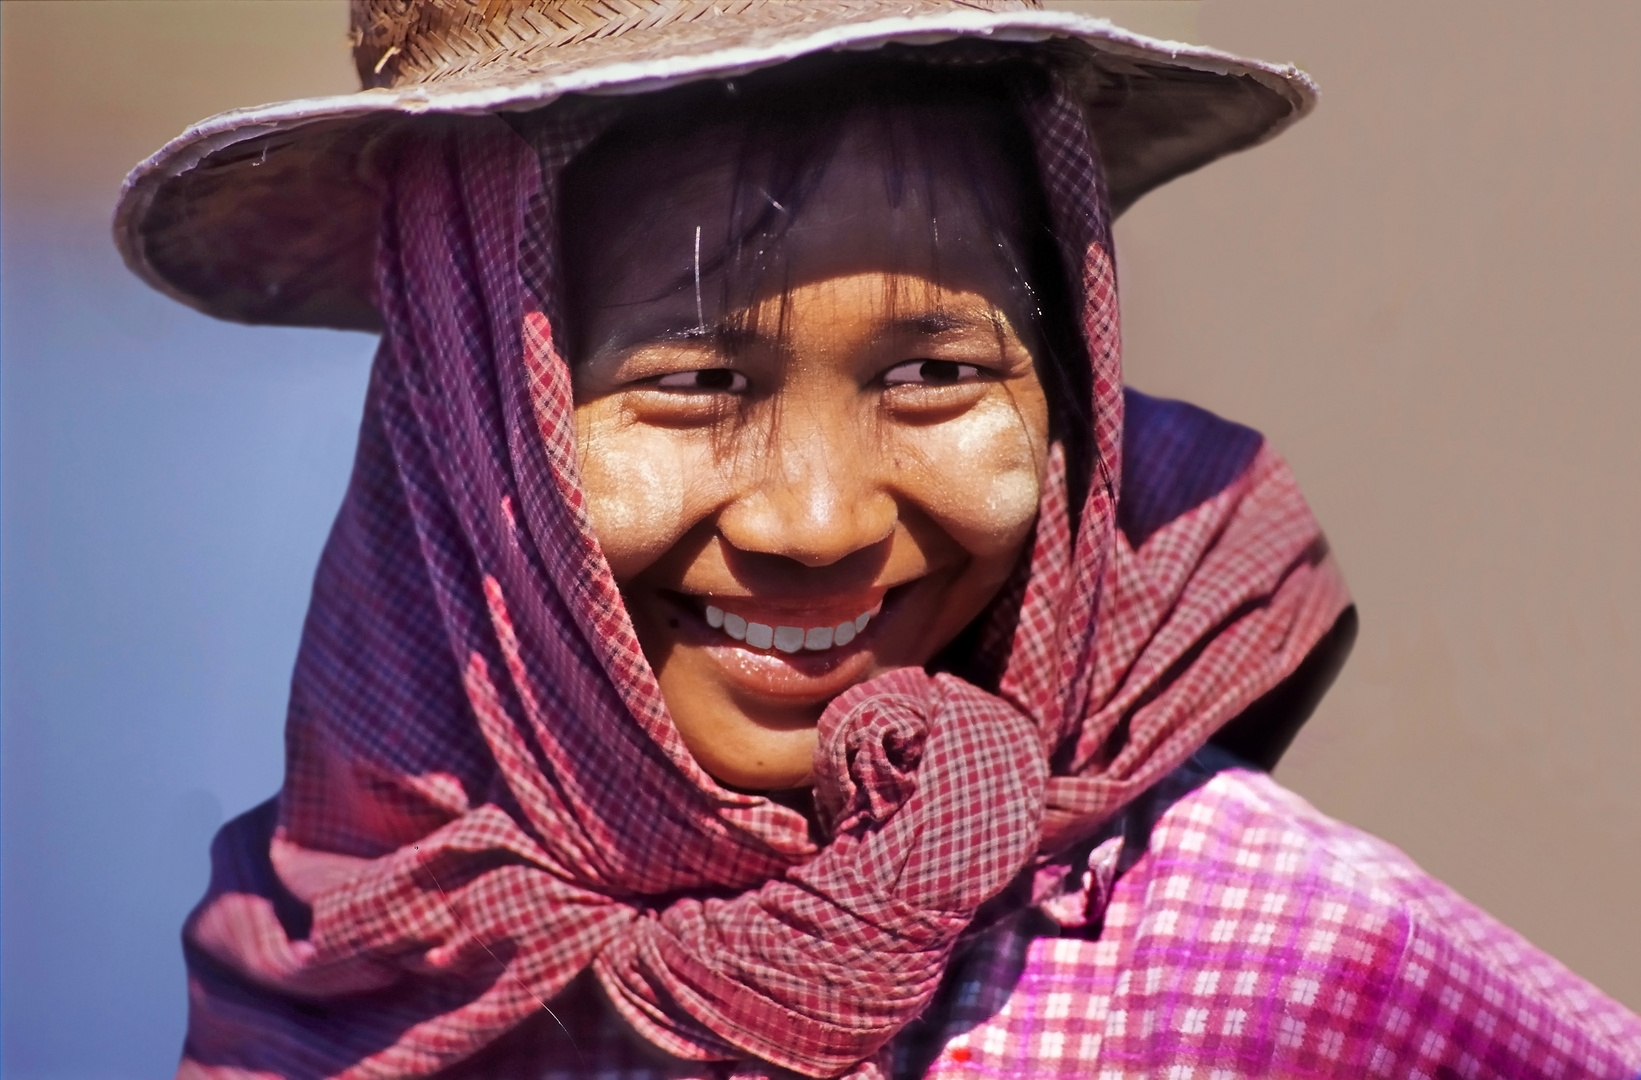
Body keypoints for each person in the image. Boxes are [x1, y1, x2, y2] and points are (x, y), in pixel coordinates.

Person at [115, 3, 1641, 1077]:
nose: (821, 522)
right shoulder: (367, 958)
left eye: (936, 373)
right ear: (467, 430)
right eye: (693, 383)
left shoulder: (1264, 970)